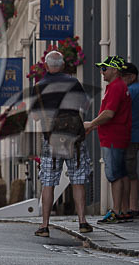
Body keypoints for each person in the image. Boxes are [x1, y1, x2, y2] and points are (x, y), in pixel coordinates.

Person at [31, 51, 92, 237]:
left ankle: (44, 226)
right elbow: (85, 106)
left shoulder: (39, 86)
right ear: (63, 65)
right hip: (74, 138)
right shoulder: (73, 82)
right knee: (78, 180)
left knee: (48, 182)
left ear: (46, 66)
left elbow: (34, 116)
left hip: (51, 138)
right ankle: (82, 222)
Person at [84, 55, 132, 224]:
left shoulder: (116, 87)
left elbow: (109, 114)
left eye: (104, 69)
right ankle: (124, 210)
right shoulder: (116, 86)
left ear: (115, 70)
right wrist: (92, 127)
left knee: (114, 175)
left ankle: (116, 211)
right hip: (116, 135)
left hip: (113, 137)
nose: (102, 72)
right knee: (121, 173)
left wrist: (91, 123)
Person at [120, 63, 139, 219]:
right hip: (132, 134)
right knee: (130, 171)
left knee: (128, 172)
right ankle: (131, 206)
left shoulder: (132, 91)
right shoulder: (137, 90)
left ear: (132, 76)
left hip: (129, 135)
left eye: (122, 77)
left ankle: (131, 207)